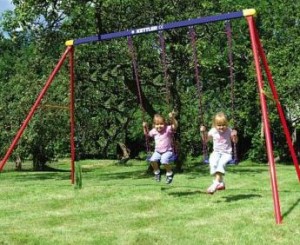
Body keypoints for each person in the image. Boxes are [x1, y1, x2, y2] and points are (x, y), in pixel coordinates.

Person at [200, 112, 238, 194]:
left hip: (227, 153)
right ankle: (221, 183)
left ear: (226, 124)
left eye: (223, 125)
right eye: (219, 125)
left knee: (221, 164)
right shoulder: (213, 131)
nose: (221, 127)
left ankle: (215, 184)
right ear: (214, 124)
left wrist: (235, 135)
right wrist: (203, 132)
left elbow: (235, 141)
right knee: (212, 163)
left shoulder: (229, 130)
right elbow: (205, 140)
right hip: (216, 152)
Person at [143, 111, 178, 184]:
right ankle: (157, 172)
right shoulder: (154, 131)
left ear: (165, 124)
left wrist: (172, 118)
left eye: (161, 124)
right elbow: (147, 134)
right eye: (157, 124)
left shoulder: (168, 129)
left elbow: (175, 126)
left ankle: (169, 173)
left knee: (164, 160)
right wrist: (144, 127)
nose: (159, 126)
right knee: (152, 160)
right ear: (154, 125)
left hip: (167, 151)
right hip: (157, 151)